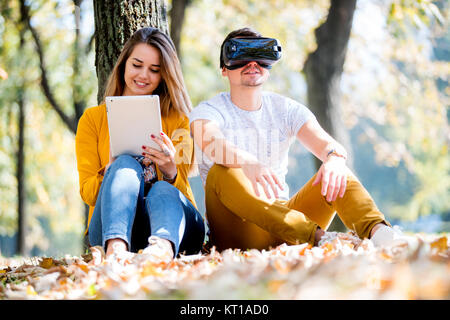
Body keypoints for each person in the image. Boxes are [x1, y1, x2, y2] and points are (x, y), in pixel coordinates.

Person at [189, 27, 406, 252]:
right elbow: (211, 143)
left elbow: (328, 145)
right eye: (241, 55)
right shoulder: (208, 111)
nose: (252, 64)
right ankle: (320, 238)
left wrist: (334, 159)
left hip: (284, 226)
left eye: (261, 56)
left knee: (335, 168)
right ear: (224, 69)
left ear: (270, 65)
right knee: (222, 170)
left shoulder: (286, 109)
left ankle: (381, 234)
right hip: (237, 233)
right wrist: (247, 162)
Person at [75, 27, 205, 262]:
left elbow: (183, 193)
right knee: (124, 163)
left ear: (164, 75)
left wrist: (170, 171)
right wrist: (111, 172)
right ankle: (116, 251)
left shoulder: (179, 120)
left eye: (154, 70)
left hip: (174, 227)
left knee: (163, 189)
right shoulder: (93, 120)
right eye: (137, 65)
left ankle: (161, 252)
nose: (144, 75)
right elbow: (87, 193)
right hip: (112, 228)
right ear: (123, 64)